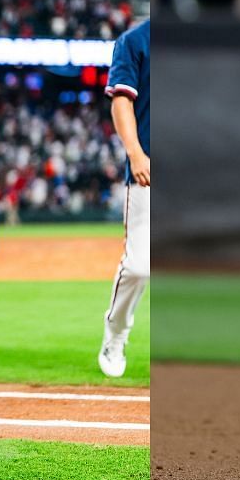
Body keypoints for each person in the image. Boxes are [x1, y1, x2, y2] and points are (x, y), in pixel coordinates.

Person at [99, 19, 149, 379]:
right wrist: (134, 152)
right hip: (150, 169)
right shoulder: (134, 40)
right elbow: (121, 100)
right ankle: (115, 334)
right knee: (138, 267)